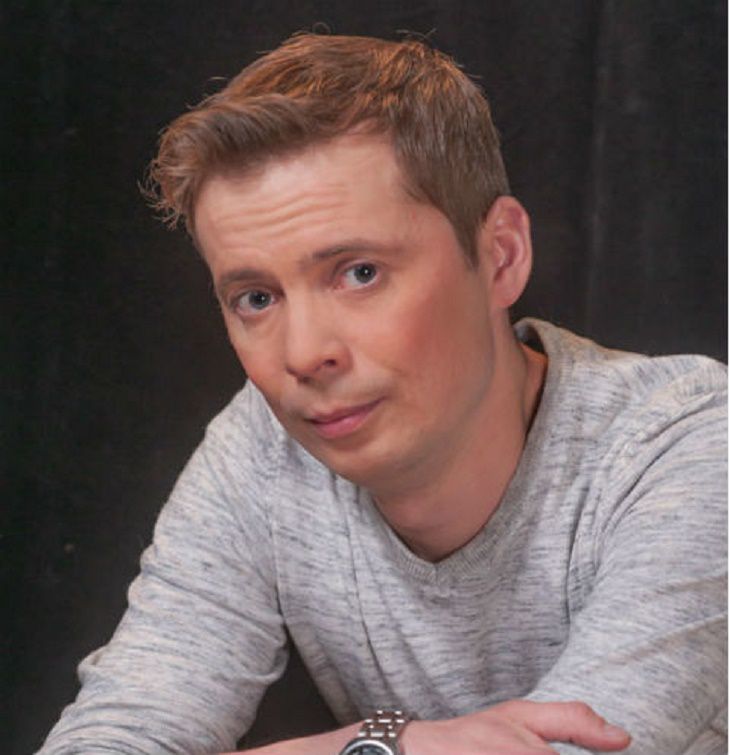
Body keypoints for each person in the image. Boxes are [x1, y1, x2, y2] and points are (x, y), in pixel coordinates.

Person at [38, 33, 726, 755]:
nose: (304, 354)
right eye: (256, 298)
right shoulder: (262, 454)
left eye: (359, 272)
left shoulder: (686, 443)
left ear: (500, 256)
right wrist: (380, 744)